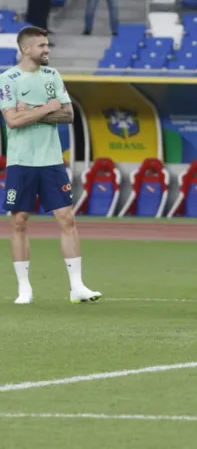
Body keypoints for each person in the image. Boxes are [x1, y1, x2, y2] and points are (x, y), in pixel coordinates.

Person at [1, 26, 101, 305]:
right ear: (26, 49)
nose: (47, 50)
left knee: (67, 219)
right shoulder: (7, 79)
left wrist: (30, 111)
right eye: (42, 45)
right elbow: (12, 121)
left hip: (51, 161)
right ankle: (24, 289)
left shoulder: (52, 75)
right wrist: (46, 108)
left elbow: (68, 114)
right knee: (19, 222)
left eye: (48, 45)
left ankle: (77, 286)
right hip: (21, 162)